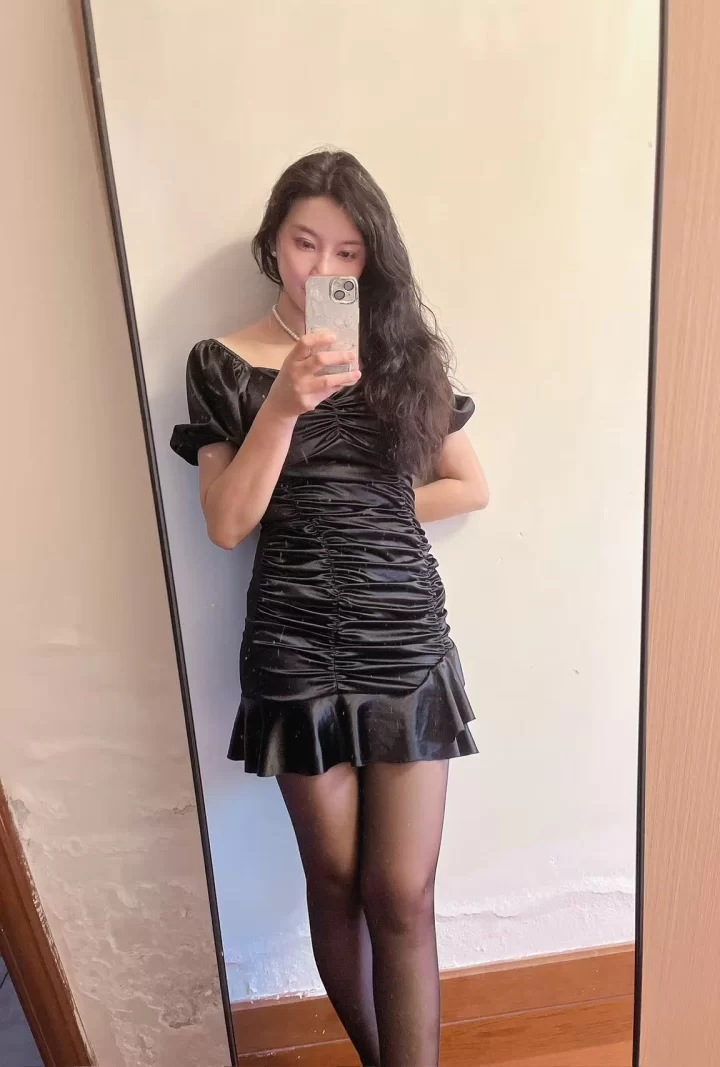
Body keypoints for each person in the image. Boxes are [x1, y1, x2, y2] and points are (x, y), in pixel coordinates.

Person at [171, 149, 489, 1067]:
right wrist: (281, 406)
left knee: (403, 893)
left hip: (403, 633)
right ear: (273, 242)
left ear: (370, 260)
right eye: (306, 243)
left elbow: (469, 484)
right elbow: (227, 522)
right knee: (339, 879)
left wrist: (369, 514)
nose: (324, 267)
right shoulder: (222, 362)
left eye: (348, 252)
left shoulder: (400, 353)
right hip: (295, 638)